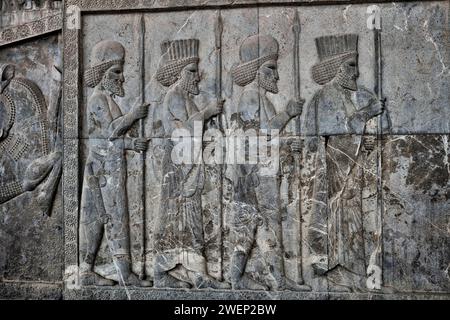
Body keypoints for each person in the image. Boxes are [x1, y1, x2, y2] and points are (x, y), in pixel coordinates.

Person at [305, 34, 387, 292]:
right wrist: (367, 114)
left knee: (355, 220)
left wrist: (373, 130)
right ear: (338, 67)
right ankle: (337, 269)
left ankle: (353, 269)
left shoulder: (361, 94)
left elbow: (373, 130)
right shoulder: (325, 96)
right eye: (351, 65)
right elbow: (338, 131)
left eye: (356, 64)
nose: (357, 71)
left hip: (357, 171)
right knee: (338, 215)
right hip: (335, 169)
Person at [228, 34, 309, 291]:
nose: (276, 75)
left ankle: (277, 280)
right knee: (251, 228)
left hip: (263, 172)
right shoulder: (250, 97)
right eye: (270, 68)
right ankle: (237, 279)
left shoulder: (260, 98)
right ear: (256, 70)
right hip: (253, 175)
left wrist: (285, 139)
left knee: (263, 227)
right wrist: (287, 115)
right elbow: (257, 138)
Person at [153, 39, 230, 289]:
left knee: (191, 223)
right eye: (192, 71)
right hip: (178, 171)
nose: (198, 77)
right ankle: (163, 273)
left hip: (190, 170)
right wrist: (206, 113)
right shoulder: (173, 97)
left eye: (196, 71)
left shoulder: (185, 98)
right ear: (178, 73)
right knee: (174, 221)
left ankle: (197, 274)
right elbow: (179, 133)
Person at [79, 40, 151, 287]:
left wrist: (132, 144)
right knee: (109, 218)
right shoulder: (97, 99)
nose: (121, 78)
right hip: (102, 170)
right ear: (102, 74)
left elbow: (110, 139)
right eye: (116, 72)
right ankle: (116, 273)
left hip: (109, 167)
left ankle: (96, 270)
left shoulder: (108, 100)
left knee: (104, 219)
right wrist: (132, 115)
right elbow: (109, 133)